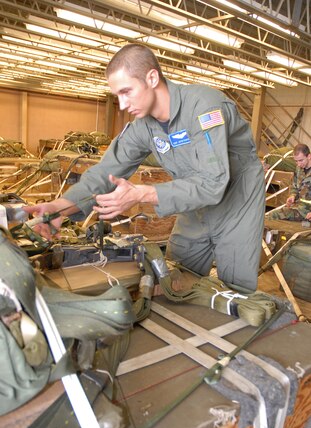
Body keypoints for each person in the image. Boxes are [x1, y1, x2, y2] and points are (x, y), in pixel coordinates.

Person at [25, 44, 265, 293]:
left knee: (236, 293)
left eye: (127, 92)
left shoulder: (204, 108)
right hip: (194, 203)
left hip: (238, 201)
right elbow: (104, 172)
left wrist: (142, 193)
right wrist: (58, 208)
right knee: (175, 278)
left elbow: (214, 182)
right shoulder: (144, 126)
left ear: (152, 78)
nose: (121, 104)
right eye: (117, 95)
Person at [266, 143, 311, 222]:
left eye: (301, 160)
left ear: (309, 156)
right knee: (270, 216)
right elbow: (294, 185)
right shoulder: (298, 169)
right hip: (299, 209)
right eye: (296, 161)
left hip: (308, 213)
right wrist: (292, 195)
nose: (299, 164)